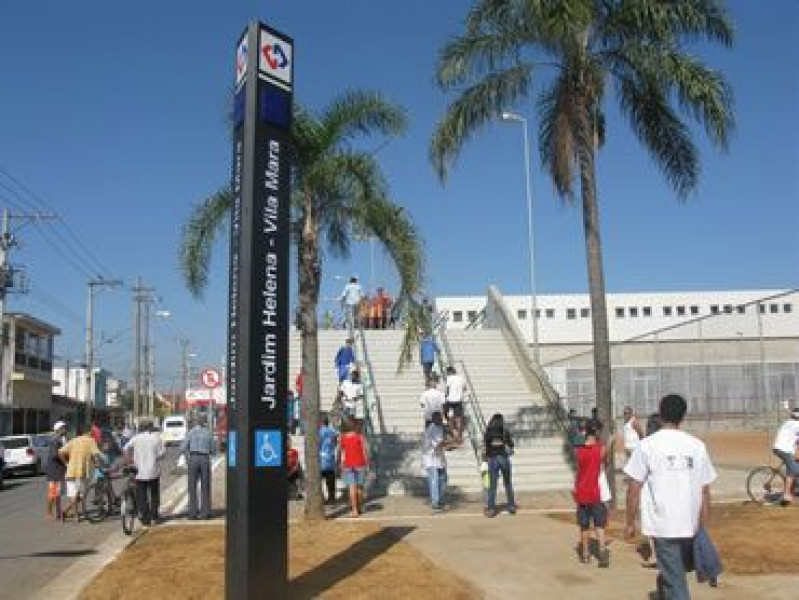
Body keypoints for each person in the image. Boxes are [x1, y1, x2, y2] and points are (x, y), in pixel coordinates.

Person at [624, 394, 717, 600]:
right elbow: (705, 490)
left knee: (676, 581)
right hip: (690, 524)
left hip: (663, 526)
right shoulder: (697, 446)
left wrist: (630, 522)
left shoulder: (647, 445)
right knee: (673, 573)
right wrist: (703, 525)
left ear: (660, 413)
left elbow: (633, 488)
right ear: (683, 415)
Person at [574, 424, 610, 567]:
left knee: (584, 526)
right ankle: (602, 553)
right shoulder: (601, 449)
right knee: (599, 524)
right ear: (597, 434)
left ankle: (586, 554)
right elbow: (605, 464)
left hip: (582, 491)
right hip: (596, 492)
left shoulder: (579, 451)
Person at [124, 419, 166, 527]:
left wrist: (129, 461)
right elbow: (162, 454)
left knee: (141, 495)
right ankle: (154, 516)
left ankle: (145, 519)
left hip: (139, 471)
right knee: (154, 494)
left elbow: (125, 448)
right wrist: (155, 456)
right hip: (153, 471)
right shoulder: (156, 438)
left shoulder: (136, 438)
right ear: (150, 428)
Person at [58, 425, 101, 522]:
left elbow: (60, 452)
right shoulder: (91, 441)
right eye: (91, 432)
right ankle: (70, 514)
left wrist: (66, 463)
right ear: (88, 432)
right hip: (82, 472)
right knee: (81, 495)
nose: (92, 433)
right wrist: (98, 465)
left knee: (74, 495)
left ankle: (71, 515)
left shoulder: (73, 441)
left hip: (70, 471)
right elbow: (96, 455)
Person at [180, 416, 215, 520]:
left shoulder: (190, 432)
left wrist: (187, 458)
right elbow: (213, 450)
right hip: (204, 458)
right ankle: (205, 512)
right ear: (204, 423)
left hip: (193, 458)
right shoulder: (208, 433)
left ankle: (192, 513)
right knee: (205, 486)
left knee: (192, 486)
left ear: (196, 422)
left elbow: (182, 448)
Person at [483, 413, 517, 517]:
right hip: (503, 458)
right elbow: (511, 445)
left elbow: (486, 446)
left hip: (492, 459)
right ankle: (511, 506)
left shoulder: (488, 432)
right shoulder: (504, 432)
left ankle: (491, 509)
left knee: (492, 485)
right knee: (508, 483)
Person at [338, 417, 369, 518]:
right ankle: (359, 507)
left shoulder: (343, 438)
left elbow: (342, 452)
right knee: (359, 487)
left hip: (348, 464)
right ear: (355, 426)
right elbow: (365, 452)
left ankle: (354, 510)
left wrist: (340, 463)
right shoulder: (360, 437)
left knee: (352, 487)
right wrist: (368, 464)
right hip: (360, 464)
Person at [771, 407, 799, 505]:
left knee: (794, 465)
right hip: (784, 449)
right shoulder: (797, 425)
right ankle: (786, 494)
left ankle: (792, 491)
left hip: (779, 448)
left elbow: (796, 441)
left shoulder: (787, 422)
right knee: (794, 470)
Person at [422, 411, 448, 512]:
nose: (441, 420)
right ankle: (435, 503)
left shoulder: (440, 428)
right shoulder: (430, 430)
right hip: (430, 458)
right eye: (439, 418)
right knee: (434, 480)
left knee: (443, 479)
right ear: (434, 419)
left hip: (439, 458)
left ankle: (440, 501)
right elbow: (436, 445)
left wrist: (452, 444)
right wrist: (447, 443)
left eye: (441, 418)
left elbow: (443, 445)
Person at [45, 421, 68, 520]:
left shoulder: (59, 439)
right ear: (59, 429)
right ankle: (49, 512)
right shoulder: (56, 440)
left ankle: (58, 512)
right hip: (55, 470)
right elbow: (56, 455)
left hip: (56, 470)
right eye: (64, 428)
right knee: (53, 493)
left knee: (57, 493)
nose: (65, 430)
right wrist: (65, 462)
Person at [319, 416, 338, 504]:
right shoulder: (333, 431)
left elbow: (317, 444)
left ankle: (321, 498)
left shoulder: (320, 431)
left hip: (321, 459)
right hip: (331, 458)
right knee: (330, 481)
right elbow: (335, 443)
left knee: (318, 481)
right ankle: (332, 499)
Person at [444, 365, 466, 443]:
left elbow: (447, 390)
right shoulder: (461, 378)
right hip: (458, 400)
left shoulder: (449, 378)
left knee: (448, 416)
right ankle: (459, 436)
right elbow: (464, 388)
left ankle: (453, 433)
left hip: (450, 401)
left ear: (449, 372)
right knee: (458, 418)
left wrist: (445, 397)